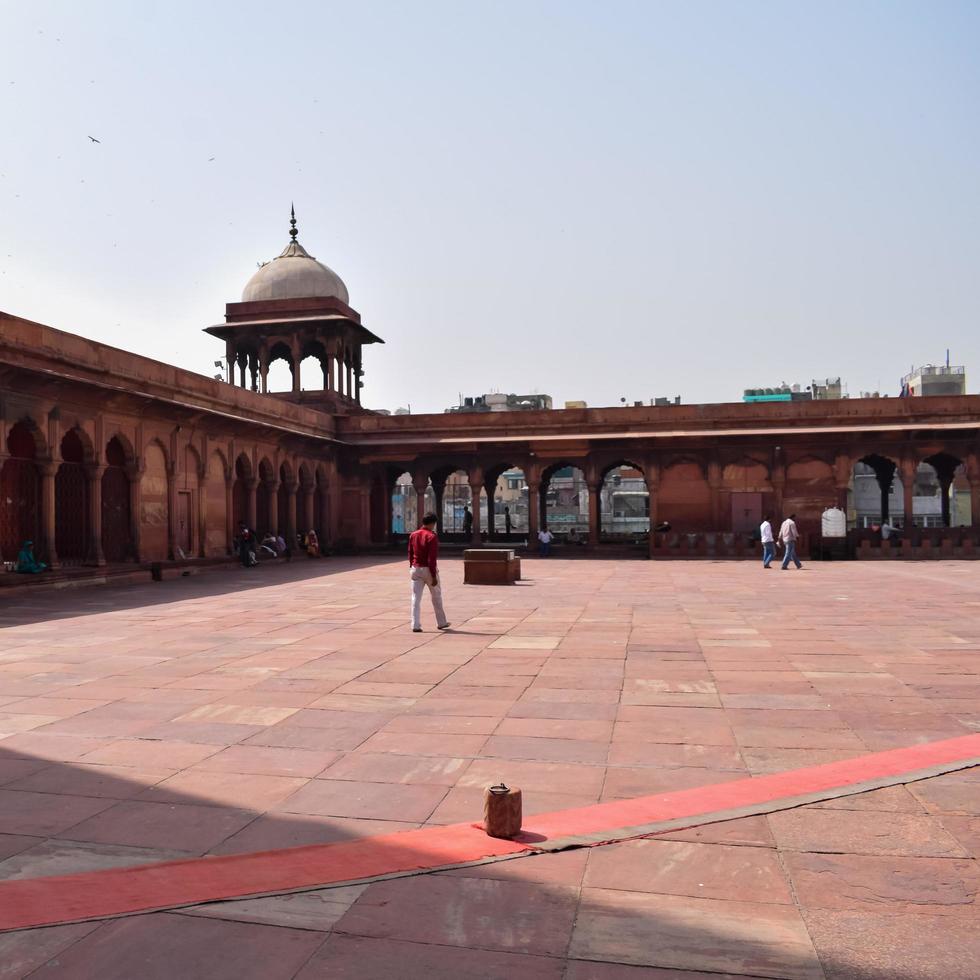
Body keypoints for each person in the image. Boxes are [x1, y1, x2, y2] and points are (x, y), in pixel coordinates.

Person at [408, 512, 450, 633]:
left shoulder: (413, 535)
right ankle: (441, 622)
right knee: (436, 596)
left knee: (415, 598)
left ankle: (415, 625)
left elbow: (410, 553)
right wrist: (433, 575)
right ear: (432, 523)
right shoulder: (431, 536)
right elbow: (432, 559)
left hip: (416, 568)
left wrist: (412, 566)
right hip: (428, 569)